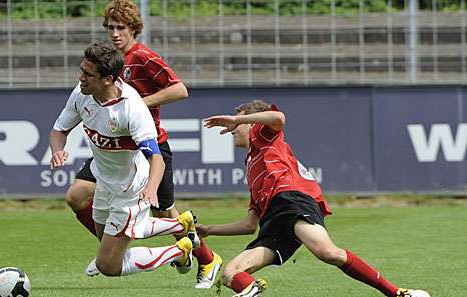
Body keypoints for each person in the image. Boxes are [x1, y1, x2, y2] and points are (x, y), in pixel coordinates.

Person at [199, 100, 431, 297]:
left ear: (251, 122)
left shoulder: (264, 135)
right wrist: (209, 229)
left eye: (237, 122)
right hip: (273, 223)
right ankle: (251, 290)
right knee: (231, 273)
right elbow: (250, 225)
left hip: (292, 201)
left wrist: (238, 119)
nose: (231, 129)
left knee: (327, 252)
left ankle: (398, 293)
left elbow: (278, 117)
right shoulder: (250, 164)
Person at [65, 0, 221, 289]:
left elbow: (179, 89)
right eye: (110, 27)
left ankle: (208, 259)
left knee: (165, 213)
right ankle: (110, 253)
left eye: (121, 28)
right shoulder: (107, 61)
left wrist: (136, 104)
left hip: (147, 147)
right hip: (113, 147)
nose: (114, 33)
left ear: (134, 29)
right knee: (77, 195)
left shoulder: (144, 57)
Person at [50, 41, 200, 280]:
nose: (81, 78)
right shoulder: (81, 94)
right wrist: (57, 150)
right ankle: (180, 225)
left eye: (88, 74)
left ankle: (178, 251)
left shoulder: (132, 109)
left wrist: (151, 189)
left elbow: (156, 158)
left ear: (108, 79)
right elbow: (59, 131)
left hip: (130, 187)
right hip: (103, 179)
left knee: (108, 265)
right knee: (106, 238)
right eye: (81, 70)